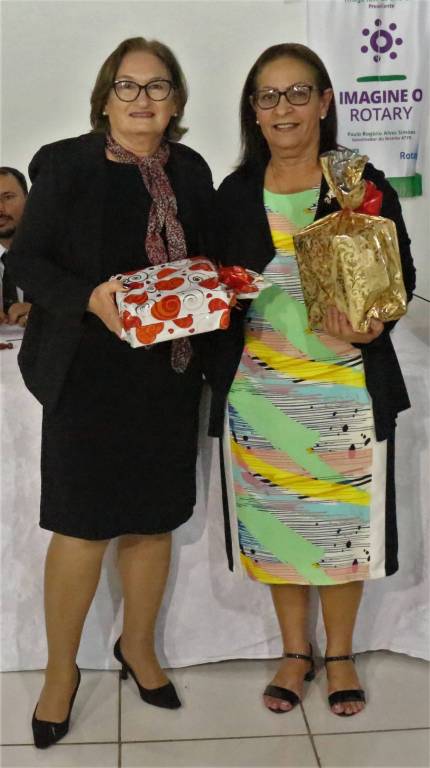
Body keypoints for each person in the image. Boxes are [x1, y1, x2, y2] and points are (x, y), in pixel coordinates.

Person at [6, 36, 214, 748]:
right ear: (105, 97)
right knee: (82, 527)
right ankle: (60, 673)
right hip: (86, 375)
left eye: (158, 86)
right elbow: (28, 260)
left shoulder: (191, 169)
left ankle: (139, 648)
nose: (142, 99)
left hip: (166, 375)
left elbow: (205, 260)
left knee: (153, 522)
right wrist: (89, 299)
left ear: (176, 101)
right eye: (128, 85)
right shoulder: (64, 163)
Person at [211, 44, 415, 717]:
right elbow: (215, 282)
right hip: (261, 390)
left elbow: (401, 274)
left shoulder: (357, 180)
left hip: (344, 388)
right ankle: (296, 652)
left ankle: (342, 654)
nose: (284, 108)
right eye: (268, 96)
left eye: (299, 93)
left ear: (325, 102)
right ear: (254, 111)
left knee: (341, 529)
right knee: (280, 528)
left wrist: (376, 323)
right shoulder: (236, 191)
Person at [0, 167, 31, 326]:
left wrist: (44, 314)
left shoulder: (64, 253)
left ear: (28, 199)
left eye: (8, 197)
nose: (0, 208)